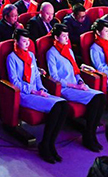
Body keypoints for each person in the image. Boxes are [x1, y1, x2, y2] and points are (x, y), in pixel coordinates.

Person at [6, 27, 74, 163]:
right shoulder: (11, 58)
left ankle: (50, 143)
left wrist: (42, 89)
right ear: (16, 42)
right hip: (24, 94)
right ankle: (45, 145)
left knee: (64, 106)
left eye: (28, 41)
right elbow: (15, 82)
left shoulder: (31, 55)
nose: (27, 44)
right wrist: (33, 91)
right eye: (23, 41)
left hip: (37, 91)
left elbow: (37, 76)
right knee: (56, 107)